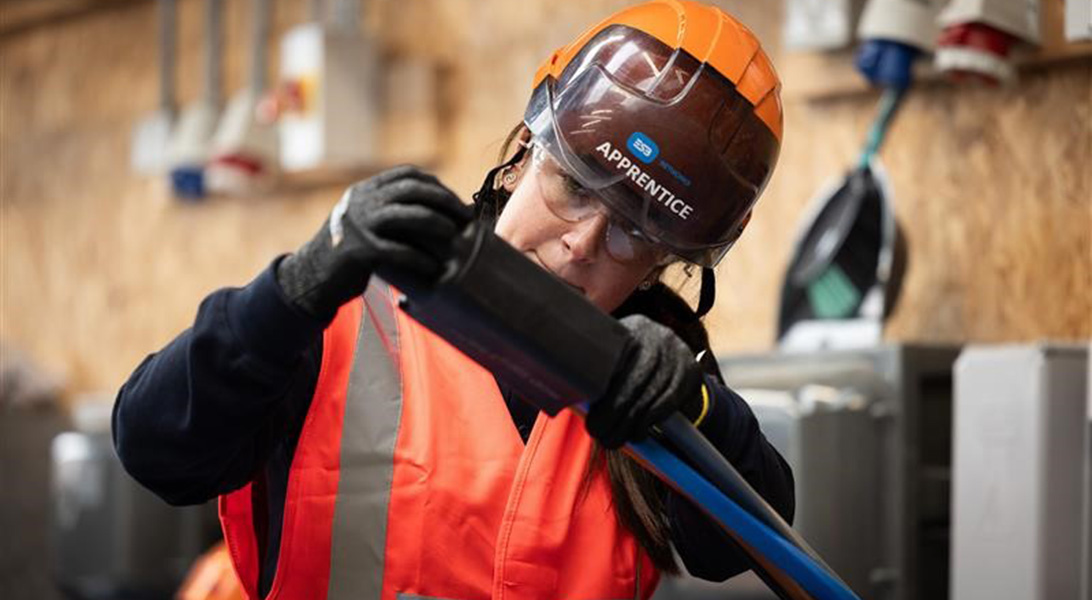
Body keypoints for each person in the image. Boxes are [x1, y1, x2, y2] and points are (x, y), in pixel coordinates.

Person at [113, 1, 793, 598]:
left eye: (633, 233)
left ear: (663, 264)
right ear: (525, 154)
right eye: (576, 188)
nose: (582, 244)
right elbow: (155, 448)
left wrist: (697, 411)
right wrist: (289, 292)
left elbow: (746, 545)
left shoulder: (648, 383)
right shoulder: (346, 313)